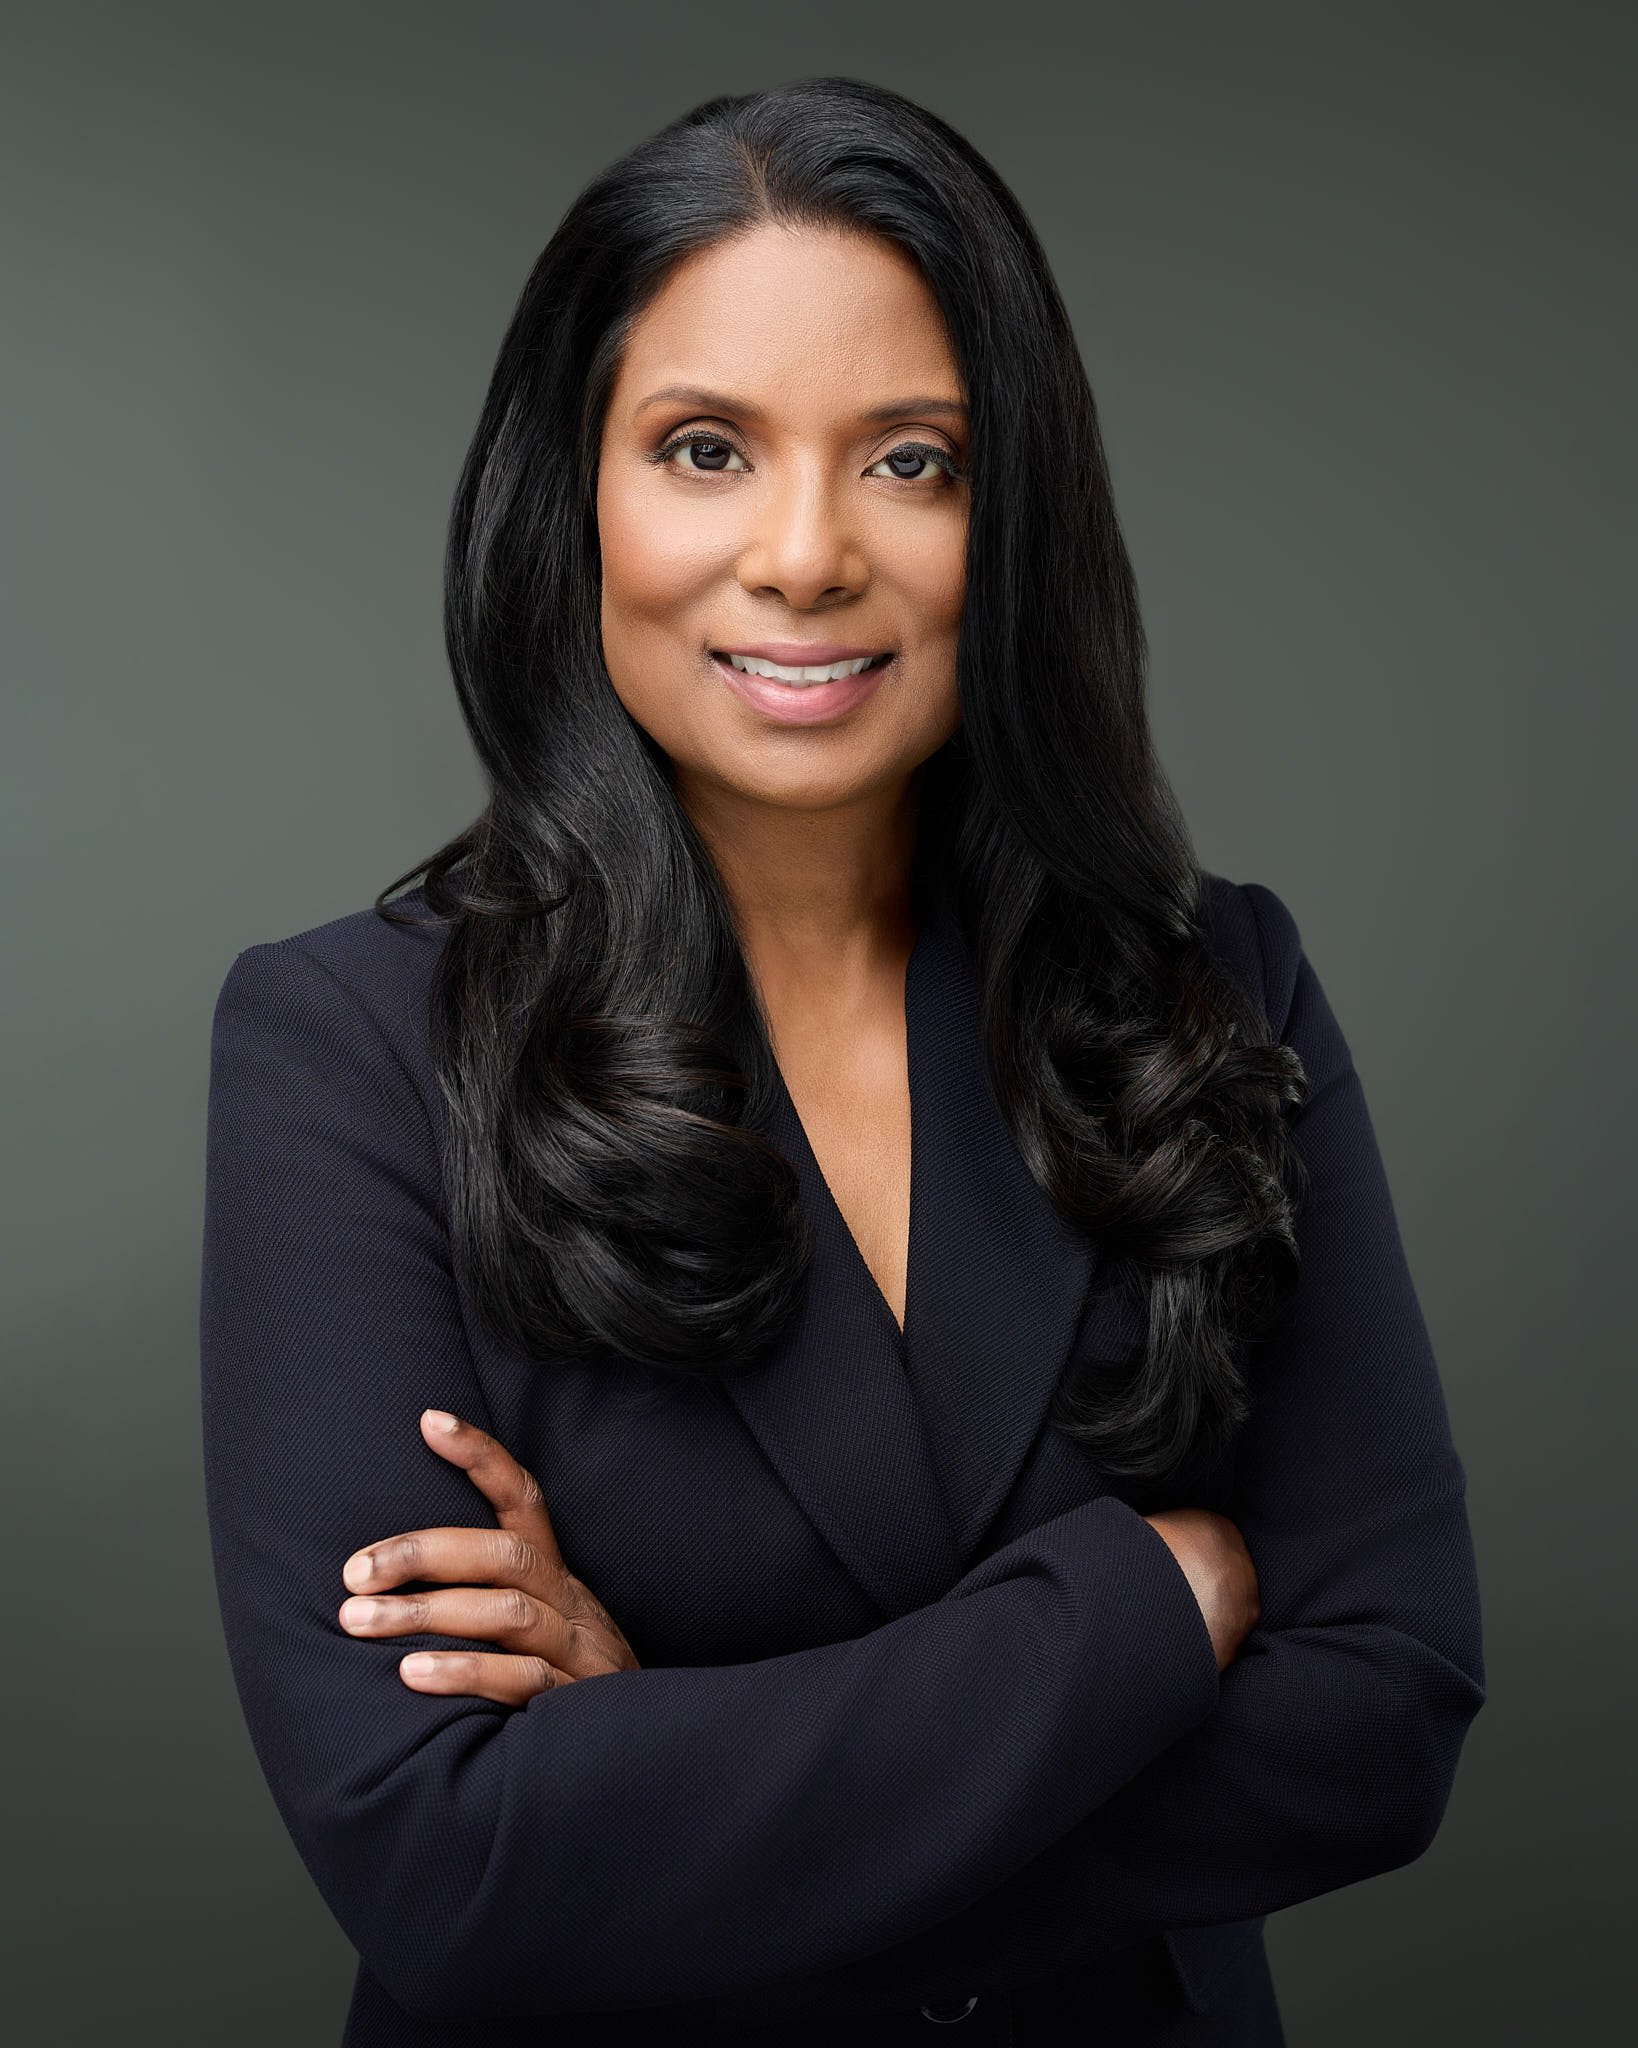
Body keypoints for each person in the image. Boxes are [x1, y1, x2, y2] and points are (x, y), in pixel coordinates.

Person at [199, 75, 1485, 2048]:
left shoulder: (1221, 986)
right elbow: (444, 1857)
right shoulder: (351, 1050)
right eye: (705, 447)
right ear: (578, 491)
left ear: (1017, 513)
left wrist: (664, 1776)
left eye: (914, 460)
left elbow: (1383, 1713)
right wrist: (1143, 1605)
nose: (804, 557)